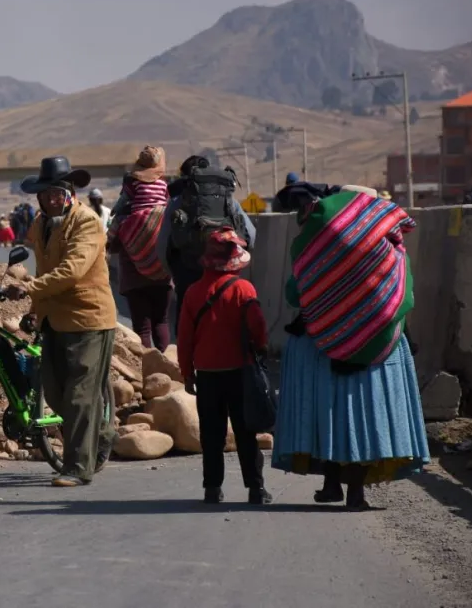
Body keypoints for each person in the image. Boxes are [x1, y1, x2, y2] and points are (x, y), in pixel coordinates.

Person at [272, 186, 430, 510]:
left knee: (330, 413)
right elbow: (406, 298)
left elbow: (294, 294)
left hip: (321, 344)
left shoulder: (315, 248)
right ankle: (353, 492)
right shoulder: (391, 250)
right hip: (377, 348)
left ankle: (332, 484)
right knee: (363, 416)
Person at [4, 155, 118, 487]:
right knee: (54, 392)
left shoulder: (87, 222)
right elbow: (42, 271)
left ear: (69, 192)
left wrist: (29, 288)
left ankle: (77, 467)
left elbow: (73, 270)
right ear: (39, 196)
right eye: (46, 193)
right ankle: (105, 433)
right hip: (54, 319)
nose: (52, 198)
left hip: (89, 318)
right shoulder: (39, 225)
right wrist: (34, 309)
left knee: (80, 395)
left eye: (58, 192)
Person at [177, 228, 271, 505]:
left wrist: (187, 373)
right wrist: (260, 350)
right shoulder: (244, 289)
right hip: (240, 371)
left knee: (212, 435)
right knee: (246, 433)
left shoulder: (193, 292)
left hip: (207, 374)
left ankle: (212, 489)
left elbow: (184, 338)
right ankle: (256, 489)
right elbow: (259, 329)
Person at [157, 155, 256, 332]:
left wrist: (175, 274)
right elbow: (251, 235)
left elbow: (163, 246)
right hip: (223, 273)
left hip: (187, 274)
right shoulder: (226, 199)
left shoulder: (176, 203)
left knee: (188, 327)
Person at [106, 146, 173, 351]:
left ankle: (145, 371)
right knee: (161, 321)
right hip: (161, 270)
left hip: (135, 275)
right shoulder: (165, 190)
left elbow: (113, 243)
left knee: (141, 328)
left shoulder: (129, 194)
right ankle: (165, 366)